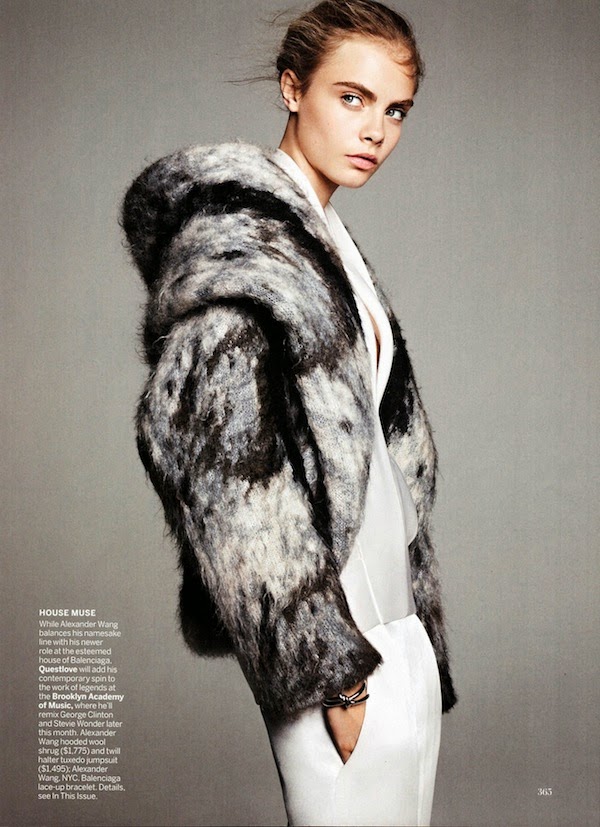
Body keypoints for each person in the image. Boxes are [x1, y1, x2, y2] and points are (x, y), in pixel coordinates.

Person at [122, 1, 457, 824]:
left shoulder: (329, 246)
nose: (375, 130)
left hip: (400, 641)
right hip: (337, 663)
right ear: (292, 88)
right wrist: (329, 675)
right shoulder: (238, 255)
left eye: (396, 110)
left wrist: (413, 646)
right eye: (352, 97)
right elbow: (221, 478)